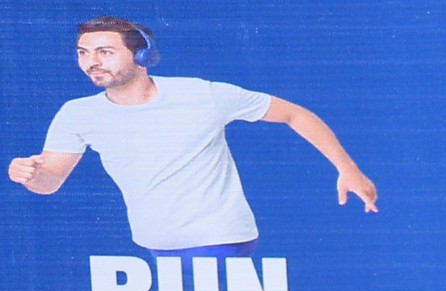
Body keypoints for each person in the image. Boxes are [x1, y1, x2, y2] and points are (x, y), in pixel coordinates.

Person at [9, 16, 374, 252]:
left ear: (141, 55)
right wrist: (30, 175)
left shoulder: (202, 94)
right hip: (151, 246)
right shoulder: (77, 113)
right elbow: (51, 181)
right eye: (83, 53)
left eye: (104, 51)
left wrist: (348, 169)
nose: (92, 62)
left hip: (221, 241)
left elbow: (294, 114)